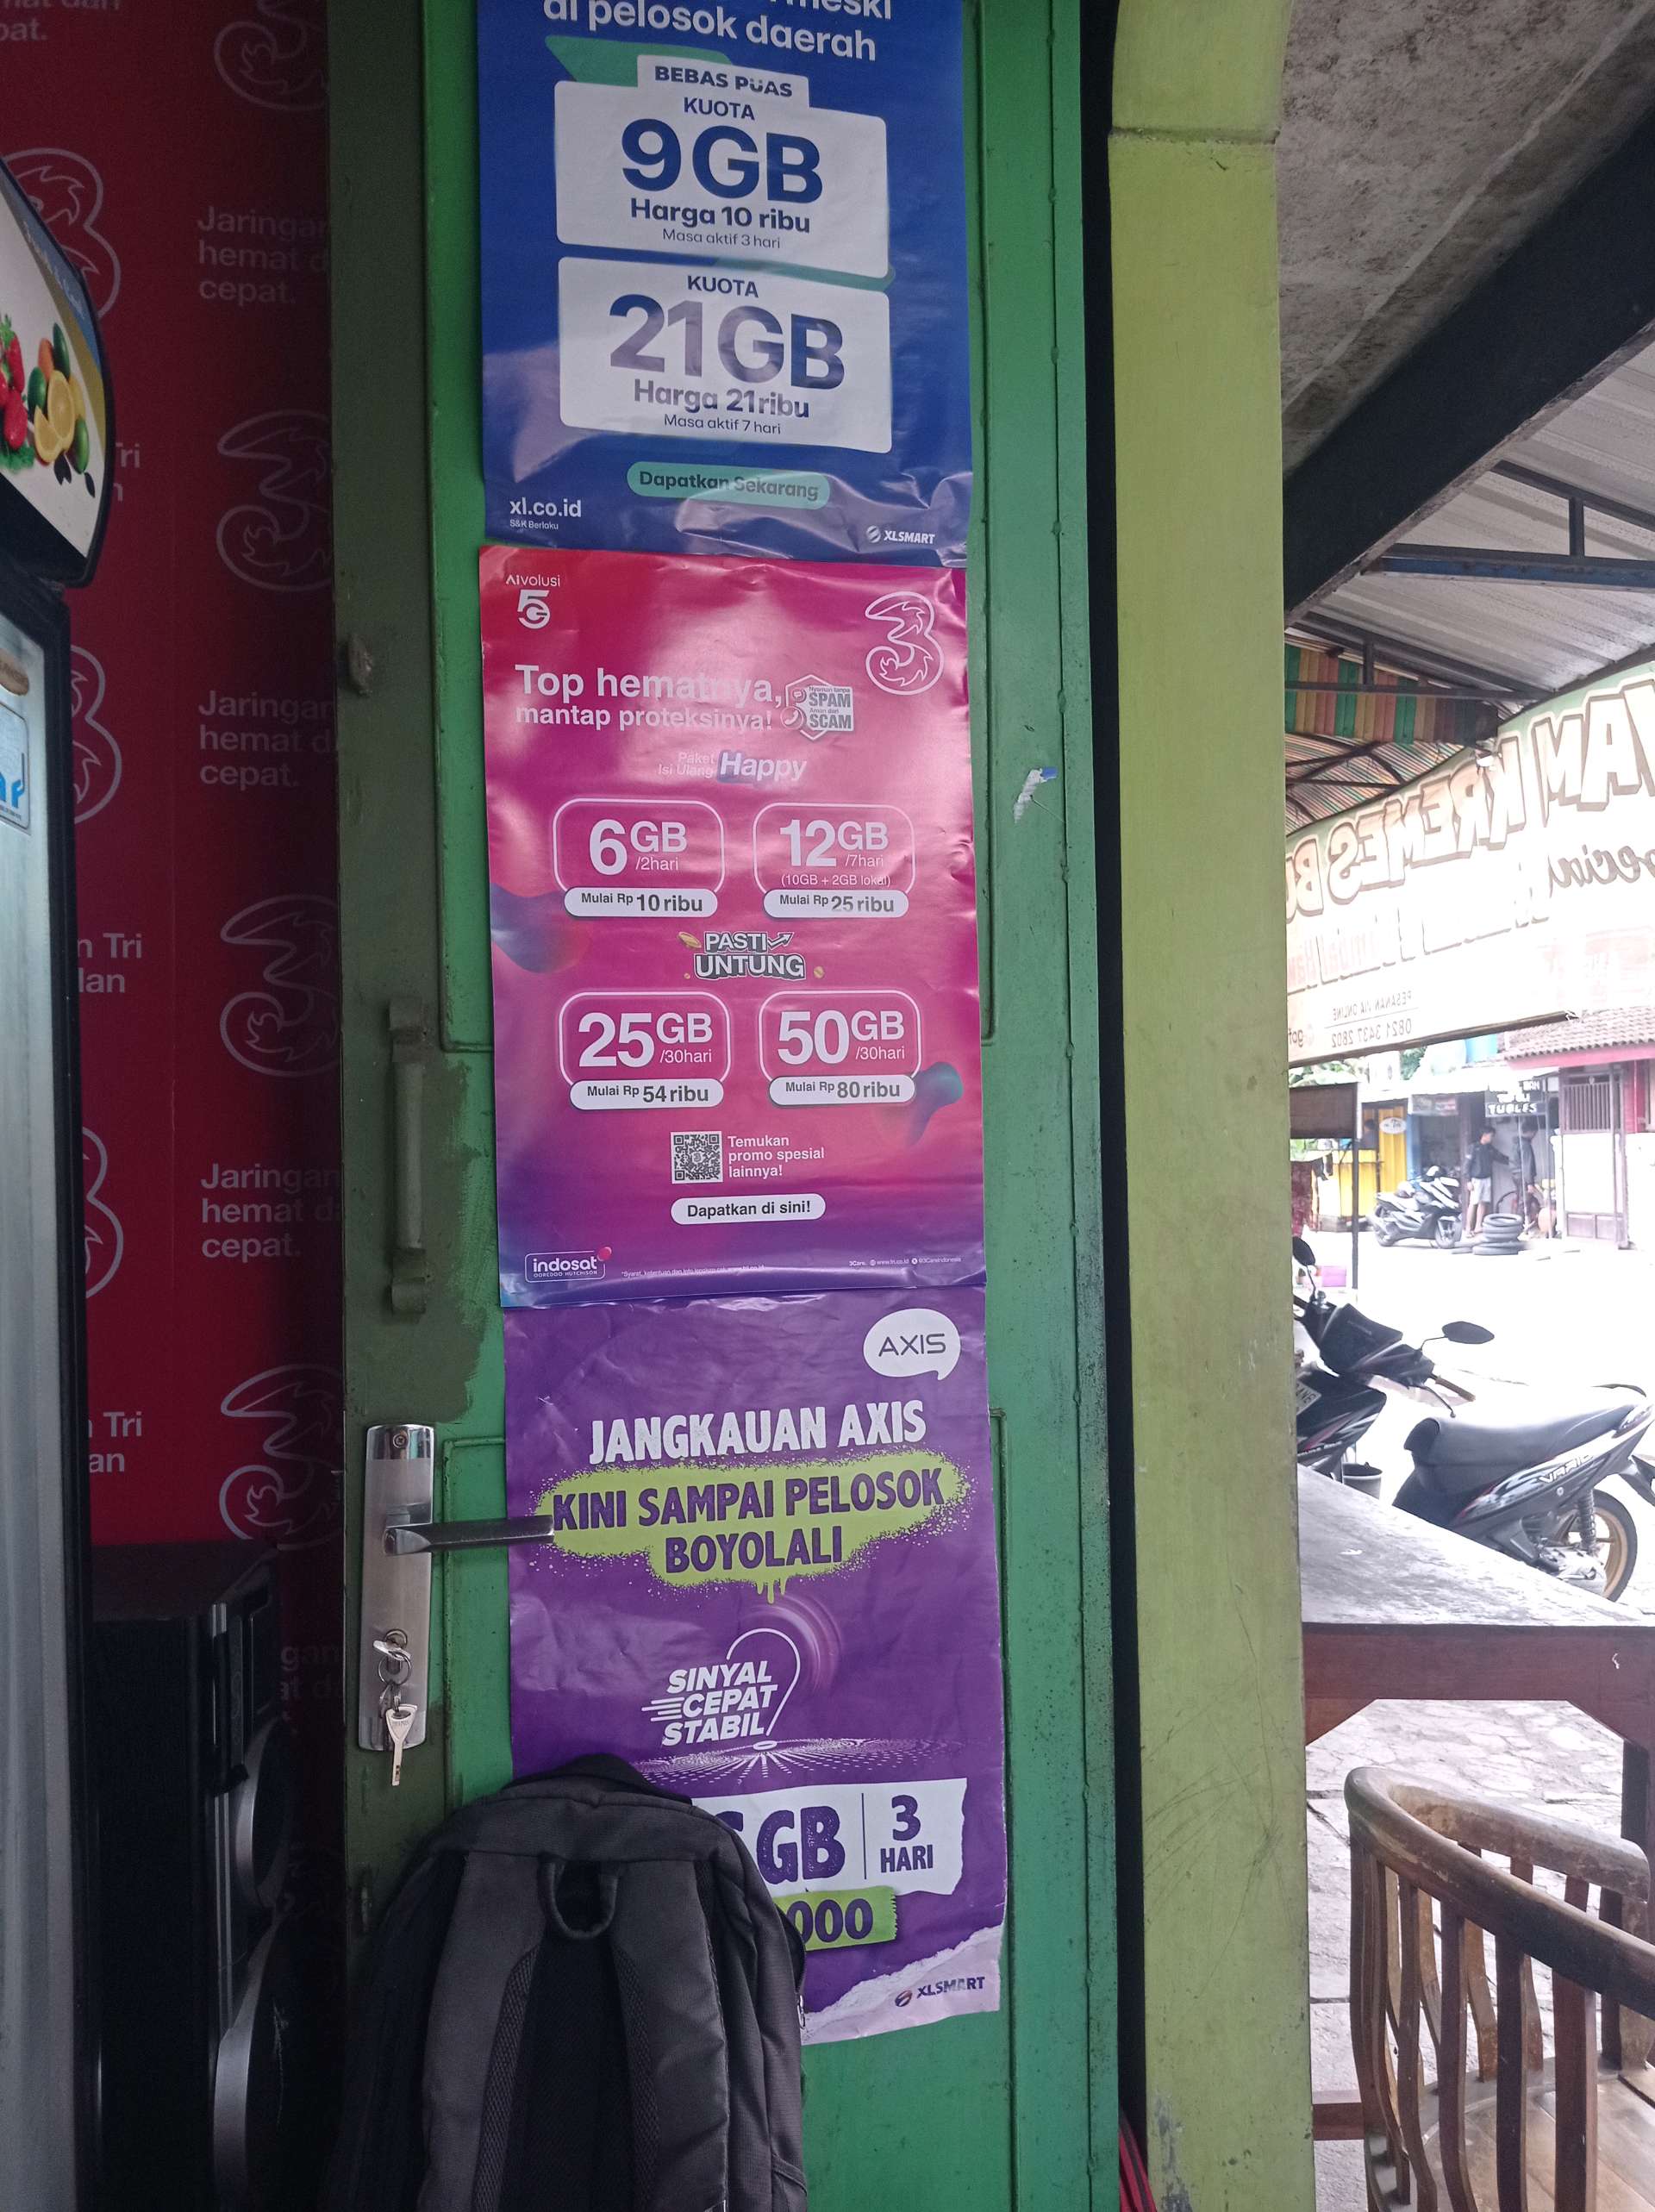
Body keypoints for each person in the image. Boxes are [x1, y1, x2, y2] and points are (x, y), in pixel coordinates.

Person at [1463, 1126, 1507, 1235]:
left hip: (1487, 1178)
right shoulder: (1473, 1147)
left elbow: (1500, 1157)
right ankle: (1468, 1228)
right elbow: (1467, 1165)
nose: (1492, 1138)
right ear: (1485, 1135)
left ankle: (1478, 1226)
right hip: (1476, 1180)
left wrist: (1513, 1162)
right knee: (1473, 1203)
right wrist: (1468, 1180)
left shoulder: (1490, 1148)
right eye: (1491, 1136)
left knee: (1483, 1203)